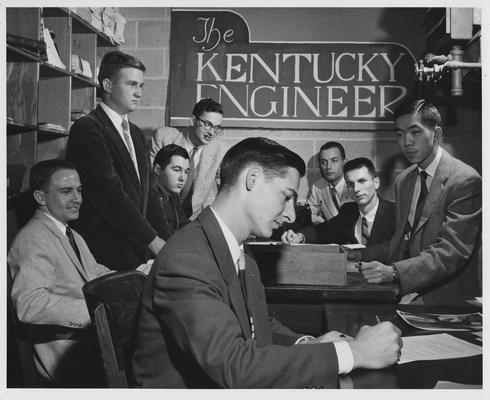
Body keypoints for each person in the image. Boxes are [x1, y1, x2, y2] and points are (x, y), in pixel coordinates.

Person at [132, 137, 402, 388]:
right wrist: (354, 352)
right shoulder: (187, 259)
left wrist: (310, 342)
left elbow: (257, 326)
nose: (288, 214)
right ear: (252, 178)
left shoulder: (241, 251)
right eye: (285, 197)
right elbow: (236, 366)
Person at [358, 99, 481, 305]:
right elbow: (401, 241)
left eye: (415, 132)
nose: (406, 141)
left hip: (451, 299)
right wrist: (357, 255)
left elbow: (451, 252)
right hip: (411, 291)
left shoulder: (465, 180)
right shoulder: (404, 179)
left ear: (437, 134)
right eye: (399, 134)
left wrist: (394, 272)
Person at [7, 160, 113, 386]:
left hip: (90, 345)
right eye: (66, 191)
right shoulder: (33, 238)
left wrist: (134, 277)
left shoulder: (70, 233)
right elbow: (30, 304)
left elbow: (93, 272)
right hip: (67, 356)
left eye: (79, 190)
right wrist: (94, 311)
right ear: (41, 198)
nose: (78, 199)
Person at [66, 51, 166, 271]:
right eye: (131, 84)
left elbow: (150, 194)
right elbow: (108, 192)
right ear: (108, 85)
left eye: (141, 86)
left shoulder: (137, 134)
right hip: (105, 251)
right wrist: (153, 241)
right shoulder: (87, 128)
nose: (139, 93)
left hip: (136, 248)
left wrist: (168, 243)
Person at [283, 157, 395, 246]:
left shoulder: (395, 213)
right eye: (350, 184)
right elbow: (324, 231)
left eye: (362, 181)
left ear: (376, 183)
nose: (356, 189)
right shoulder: (349, 211)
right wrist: (300, 236)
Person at [150, 97, 228, 220]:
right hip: (162, 214)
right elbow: (151, 180)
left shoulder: (219, 149)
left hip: (196, 219)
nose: (211, 132)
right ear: (192, 121)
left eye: (217, 127)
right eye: (207, 124)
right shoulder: (164, 138)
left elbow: (227, 187)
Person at [147, 144, 190, 240]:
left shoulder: (173, 195)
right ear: (157, 170)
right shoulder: (150, 198)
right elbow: (165, 235)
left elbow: (185, 225)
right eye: (177, 170)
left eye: (186, 172)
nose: (182, 178)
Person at [307, 141, 354, 225]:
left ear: (344, 163)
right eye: (323, 162)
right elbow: (310, 214)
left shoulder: (355, 184)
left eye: (334, 160)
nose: (328, 167)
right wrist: (322, 225)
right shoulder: (318, 186)